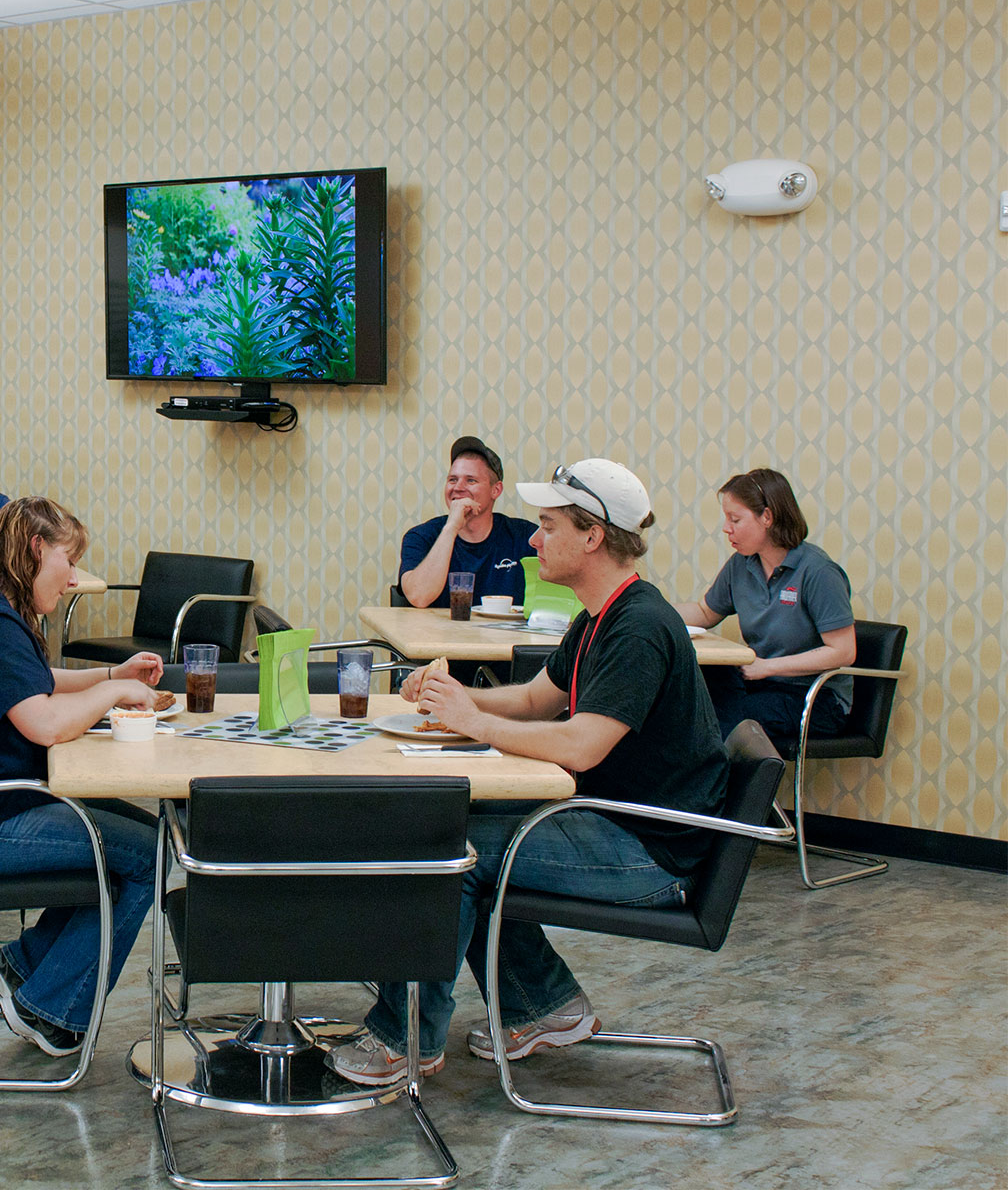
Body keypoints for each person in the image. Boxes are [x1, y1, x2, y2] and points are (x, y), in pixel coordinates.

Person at [330, 458, 730, 1086]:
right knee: (463, 831)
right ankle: (543, 1006)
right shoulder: (599, 615)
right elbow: (535, 699)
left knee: (449, 850)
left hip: (651, 849)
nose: (534, 540)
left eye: (547, 526)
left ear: (593, 536)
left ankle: (405, 1037)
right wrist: (451, 697)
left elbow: (581, 745)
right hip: (613, 822)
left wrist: (474, 720)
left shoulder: (640, 627)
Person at [0, 497, 162, 1056]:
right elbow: (43, 724)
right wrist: (112, 692)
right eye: (69, 562)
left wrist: (111, 672)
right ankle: (51, 1009)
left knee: (137, 842)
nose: (72, 578)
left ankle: (27, 965)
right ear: (36, 549)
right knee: (150, 856)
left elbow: (32, 679)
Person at [678, 468, 855, 740]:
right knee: (687, 698)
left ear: (767, 517)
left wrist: (767, 667)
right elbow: (704, 612)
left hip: (815, 698)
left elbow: (843, 652)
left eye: (735, 519)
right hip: (762, 684)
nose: (726, 528)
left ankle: (716, 782)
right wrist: (654, 611)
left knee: (728, 720)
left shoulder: (818, 571)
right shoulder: (742, 564)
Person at [398, 435, 539, 607]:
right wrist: (451, 528)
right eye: (453, 480)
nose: (457, 487)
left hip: (506, 634)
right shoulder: (421, 537)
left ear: (496, 490)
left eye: (470, 480)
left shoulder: (527, 537)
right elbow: (419, 597)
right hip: (438, 634)